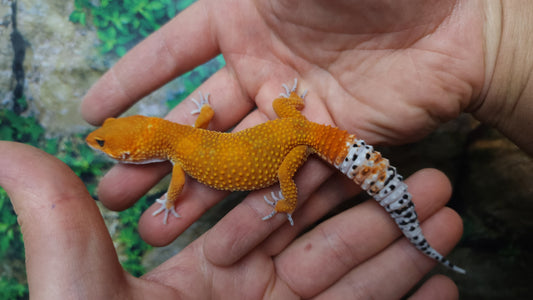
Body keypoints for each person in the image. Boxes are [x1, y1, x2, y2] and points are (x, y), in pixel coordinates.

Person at [1, 0, 531, 298]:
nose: (102, 143)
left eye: (108, 141)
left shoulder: (180, 158)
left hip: (294, 148)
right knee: (294, 138)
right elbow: (204, 115)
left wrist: (282, 196)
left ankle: (293, 200)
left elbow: (183, 175)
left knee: (289, 177)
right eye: (106, 139)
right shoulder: (184, 137)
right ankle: (408, 227)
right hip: (288, 125)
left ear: (140, 149)